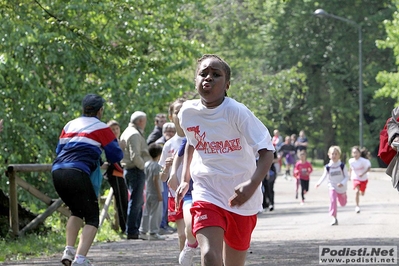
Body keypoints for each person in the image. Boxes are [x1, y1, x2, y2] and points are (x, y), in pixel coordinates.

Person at [175, 54, 275, 266]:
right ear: (196, 80)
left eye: (216, 74)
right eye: (203, 73)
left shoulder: (237, 112)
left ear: (227, 84)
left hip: (241, 196)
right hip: (206, 190)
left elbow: (267, 151)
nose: (208, 78)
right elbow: (193, 142)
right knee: (210, 255)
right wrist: (185, 179)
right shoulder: (187, 112)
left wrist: (251, 184)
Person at [52, 94, 123, 266]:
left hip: (57, 171)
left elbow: (59, 149)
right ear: (100, 111)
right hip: (77, 172)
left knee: (76, 211)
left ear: (83, 109)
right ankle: (80, 259)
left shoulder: (70, 124)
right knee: (92, 217)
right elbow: (115, 154)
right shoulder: (101, 127)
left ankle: (68, 252)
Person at [158, 98, 187, 249]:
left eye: (184, 111)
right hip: (175, 195)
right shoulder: (169, 144)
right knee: (182, 235)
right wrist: (167, 168)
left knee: (197, 233)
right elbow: (162, 177)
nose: (181, 114)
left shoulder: (197, 138)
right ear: (171, 116)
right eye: (177, 112)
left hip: (196, 192)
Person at [120, 111, 151, 239]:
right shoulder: (134, 134)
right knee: (136, 202)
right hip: (135, 170)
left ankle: (134, 229)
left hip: (130, 170)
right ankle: (132, 231)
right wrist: (145, 168)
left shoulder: (127, 131)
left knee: (136, 201)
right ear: (140, 121)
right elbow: (135, 156)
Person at [139, 143, 167, 240]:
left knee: (147, 211)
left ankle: (143, 230)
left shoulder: (147, 164)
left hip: (148, 191)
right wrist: (159, 194)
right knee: (155, 212)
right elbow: (156, 179)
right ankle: (153, 232)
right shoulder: (157, 166)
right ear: (159, 154)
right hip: (156, 191)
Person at [105, 120, 128, 233]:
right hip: (115, 174)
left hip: (123, 174)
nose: (115, 131)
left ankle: (127, 225)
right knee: (121, 201)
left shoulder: (119, 141)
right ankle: (125, 228)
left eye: (116, 129)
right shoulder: (110, 143)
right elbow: (113, 161)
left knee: (125, 199)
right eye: (112, 129)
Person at [315, 146, 349, 226]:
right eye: (332, 154)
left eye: (336, 154)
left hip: (342, 188)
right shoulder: (328, 167)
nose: (334, 156)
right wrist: (318, 183)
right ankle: (334, 218)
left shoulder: (342, 165)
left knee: (343, 204)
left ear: (339, 155)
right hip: (332, 186)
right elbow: (324, 176)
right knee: (333, 200)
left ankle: (344, 197)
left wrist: (342, 183)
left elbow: (347, 176)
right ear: (329, 155)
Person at [348, 146, 371, 213]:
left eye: (356, 152)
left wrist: (363, 173)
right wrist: (349, 176)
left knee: (362, 193)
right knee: (356, 191)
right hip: (355, 178)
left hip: (364, 179)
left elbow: (369, 168)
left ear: (359, 153)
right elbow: (351, 168)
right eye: (353, 153)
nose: (355, 154)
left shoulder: (364, 161)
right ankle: (357, 206)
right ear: (352, 154)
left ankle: (362, 192)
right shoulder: (351, 161)